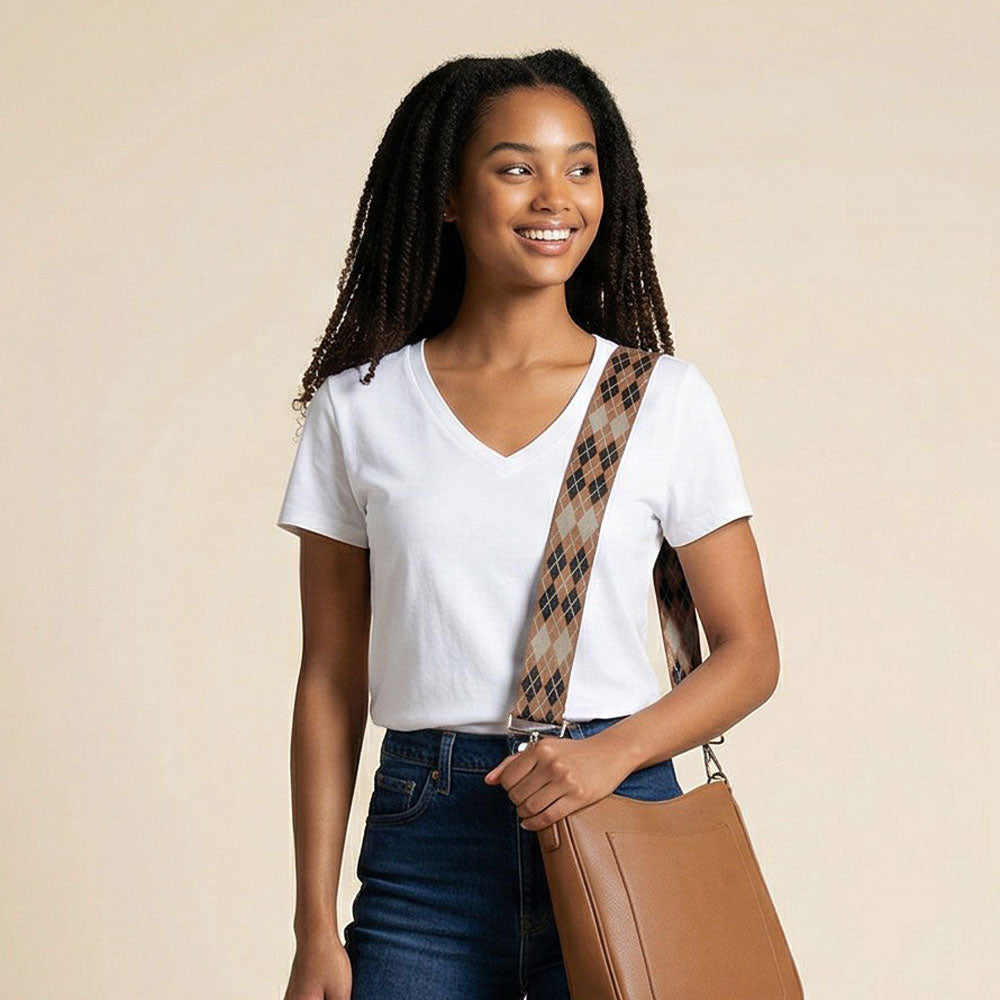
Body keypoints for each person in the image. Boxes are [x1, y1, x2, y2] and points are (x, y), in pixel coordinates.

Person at [276, 49, 780, 1000]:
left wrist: (613, 754)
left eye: (580, 167)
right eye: (516, 167)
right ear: (448, 198)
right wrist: (313, 929)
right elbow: (331, 680)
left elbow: (750, 652)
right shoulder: (360, 410)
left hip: (619, 813)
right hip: (426, 844)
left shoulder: (658, 399)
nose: (556, 196)